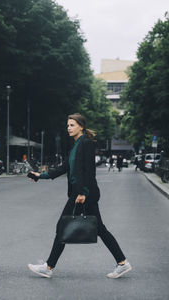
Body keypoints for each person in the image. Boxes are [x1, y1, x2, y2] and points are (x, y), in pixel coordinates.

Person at [28, 113, 132, 279]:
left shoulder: (86, 143)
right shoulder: (76, 145)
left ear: (81, 127)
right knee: (99, 229)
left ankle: (48, 267)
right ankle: (122, 262)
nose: (69, 128)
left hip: (82, 194)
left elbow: (89, 171)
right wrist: (40, 176)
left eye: (72, 125)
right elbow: (63, 168)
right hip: (81, 193)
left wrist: (83, 192)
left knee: (62, 227)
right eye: (68, 125)